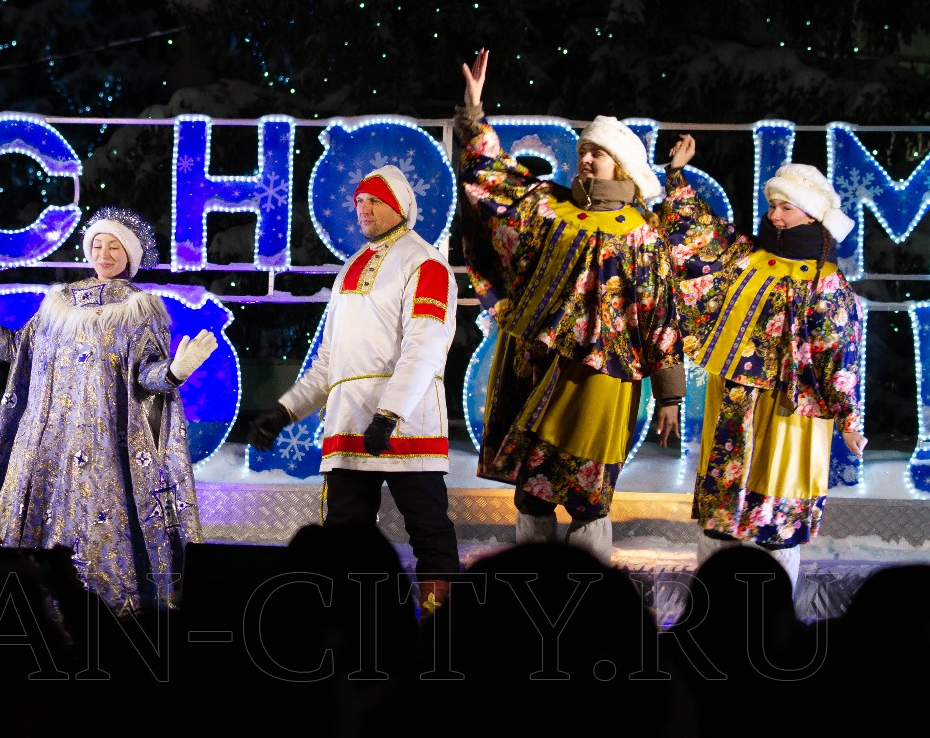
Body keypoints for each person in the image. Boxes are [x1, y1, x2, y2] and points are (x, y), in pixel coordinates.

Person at [455, 49, 685, 564]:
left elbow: (660, 315)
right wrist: (474, 114)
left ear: (620, 164)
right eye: (584, 149)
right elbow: (491, 179)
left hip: (602, 377)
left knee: (587, 492)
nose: (586, 158)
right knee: (533, 487)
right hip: (539, 366)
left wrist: (669, 395)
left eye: (598, 152)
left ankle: (589, 591)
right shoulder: (548, 205)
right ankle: (531, 582)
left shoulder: (642, 234)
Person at [0, 206, 217, 615]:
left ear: (130, 255)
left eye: (114, 246)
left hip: (103, 448)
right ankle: (25, 607)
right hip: (44, 443)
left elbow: (146, 376)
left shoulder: (141, 310)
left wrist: (174, 372)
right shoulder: (58, 302)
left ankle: (101, 613)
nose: (104, 254)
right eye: (97, 245)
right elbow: (18, 350)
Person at [248, 165, 461, 616]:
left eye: (374, 200)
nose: (363, 208)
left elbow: (425, 346)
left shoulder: (426, 263)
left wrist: (390, 413)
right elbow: (331, 361)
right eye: (359, 200)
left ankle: (439, 633)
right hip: (348, 425)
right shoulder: (351, 268)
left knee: (429, 533)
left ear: (399, 207)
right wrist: (285, 411)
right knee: (343, 540)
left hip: (408, 423)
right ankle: (355, 630)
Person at [662, 135, 865, 589]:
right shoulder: (746, 256)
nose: (775, 215)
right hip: (734, 400)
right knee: (720, 514)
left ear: (811, 214)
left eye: (786, 208)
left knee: (777, 517)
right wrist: (676, 176)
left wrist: (849, 418)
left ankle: (776, 613)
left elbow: (839, 354)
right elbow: (697, 233)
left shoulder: (826, 283)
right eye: (773, 205)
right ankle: (712, 603)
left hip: (790, 407)